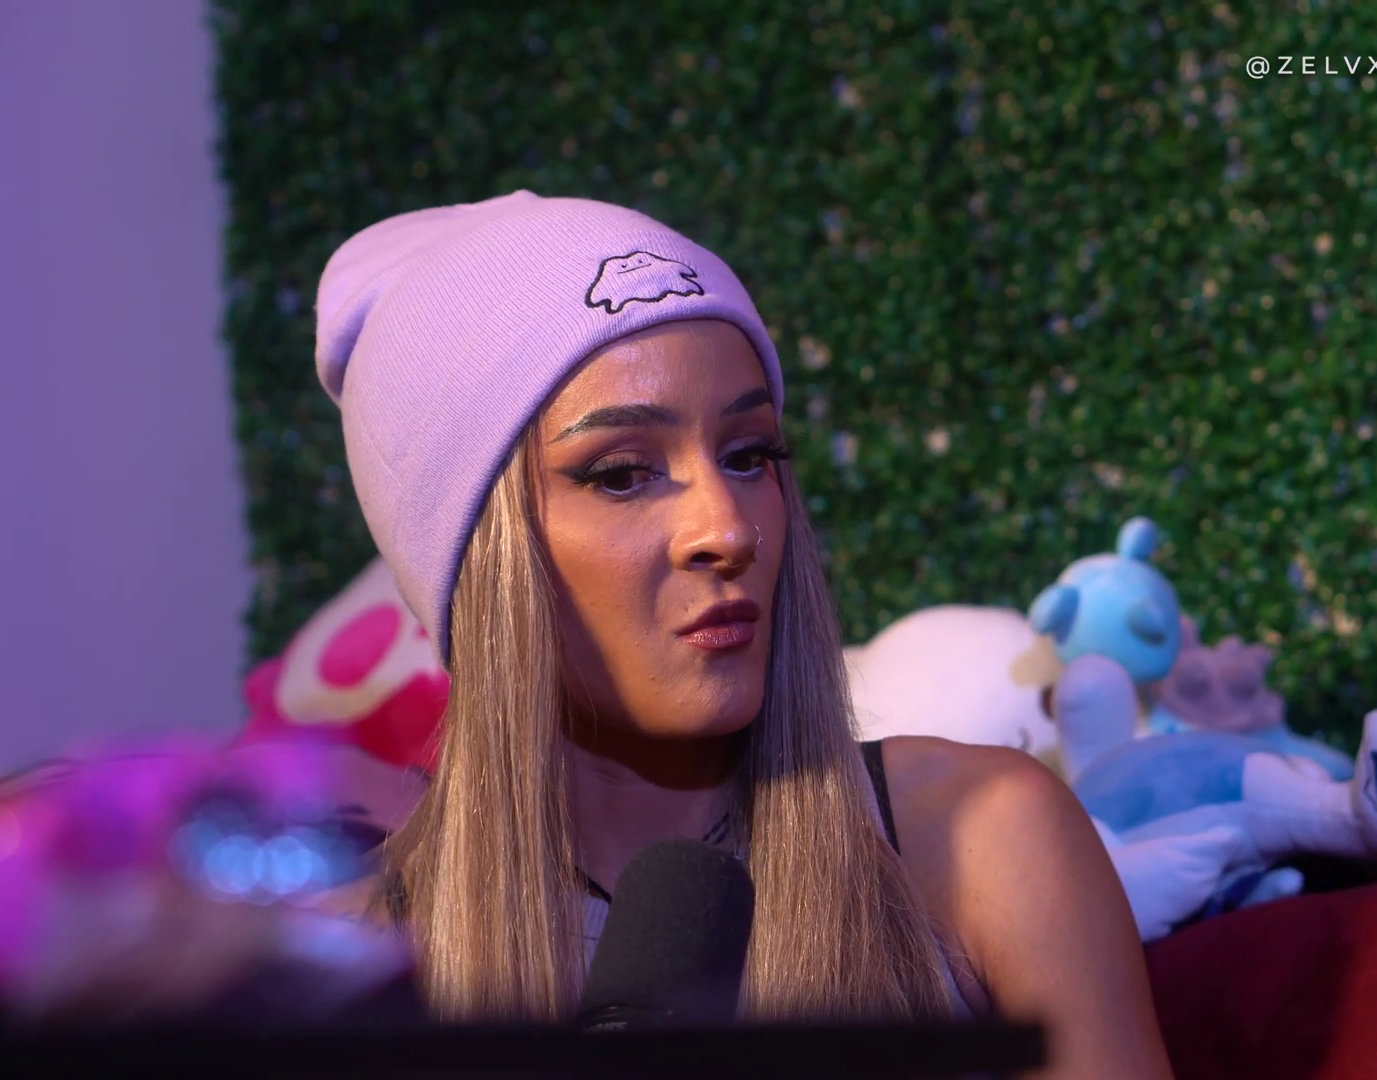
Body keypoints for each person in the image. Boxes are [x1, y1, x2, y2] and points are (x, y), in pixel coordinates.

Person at [312, 192, 1175, 1078]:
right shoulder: (342, 967)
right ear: (476, 562)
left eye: (749, 455)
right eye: (622, 474)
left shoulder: (987, 837)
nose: (726, 528)